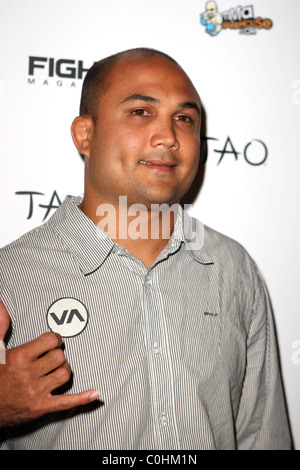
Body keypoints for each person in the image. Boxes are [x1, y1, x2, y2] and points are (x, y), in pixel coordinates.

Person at [0, 48, 292, 450]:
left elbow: (262, 437)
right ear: (85, 134)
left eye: (185, 119)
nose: (169, 137)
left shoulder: (233, 269)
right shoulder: (9, 277)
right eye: (140, 112)